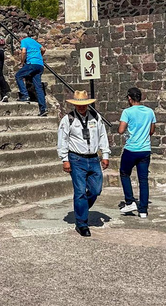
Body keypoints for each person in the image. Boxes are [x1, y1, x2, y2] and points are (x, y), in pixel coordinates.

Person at [57, 90, 110, 237]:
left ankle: (81, 208)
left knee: (96, 189)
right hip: (76, 159)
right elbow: (63, 140)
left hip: (93, 158)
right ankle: (82, 223)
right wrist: (65, 159)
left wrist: (105, 154)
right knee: (80, 192)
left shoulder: (96, 117)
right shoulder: (68, 119)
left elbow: (102, 135)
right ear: (74, 105)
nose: (81, 107)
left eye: (84, 104)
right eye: (79, 104)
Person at [118, 87, 156, 219]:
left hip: (131, 149)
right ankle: (143, 210)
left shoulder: (127, 112)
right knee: (143, 180)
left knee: (124, 173)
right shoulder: (150, 111)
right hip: (145, 149)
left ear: (129, 98)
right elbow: (152, 131)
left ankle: (130, 201)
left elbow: (121, 130)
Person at [15, 35, 47, 116]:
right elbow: (43, 49)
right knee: (38, 87)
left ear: (21, 38)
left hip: (31, 63)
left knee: (18, 76)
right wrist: (39, 57)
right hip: (40, 65)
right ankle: (43, 109)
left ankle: (25, 95)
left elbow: (23, 52)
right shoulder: (34, 42)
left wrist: (22, 62)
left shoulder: (24, 41)